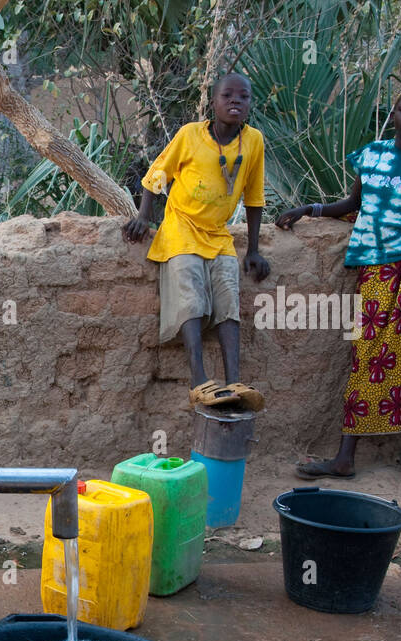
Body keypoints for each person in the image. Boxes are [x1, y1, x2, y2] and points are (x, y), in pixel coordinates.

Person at [278, 83, 401, 492]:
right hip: (379, 270)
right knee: (371, 357)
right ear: (393, 114)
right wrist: (309, 209)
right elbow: (353, 206)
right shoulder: (372, 155)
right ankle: (344, 459)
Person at [123, 72, 271, 411]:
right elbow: (157, 175)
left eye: (243, 97)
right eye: (227, 96)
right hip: (182, 227)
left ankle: (234, 381)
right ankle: (199, 381)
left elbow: (255, 198)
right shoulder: (190, 135)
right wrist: (145, 217)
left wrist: (253, 249)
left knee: (227, 293)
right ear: (213, 103)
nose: (236, 101)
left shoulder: (254, 142)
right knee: (189, 289)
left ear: (250, 104)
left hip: (218, 234)